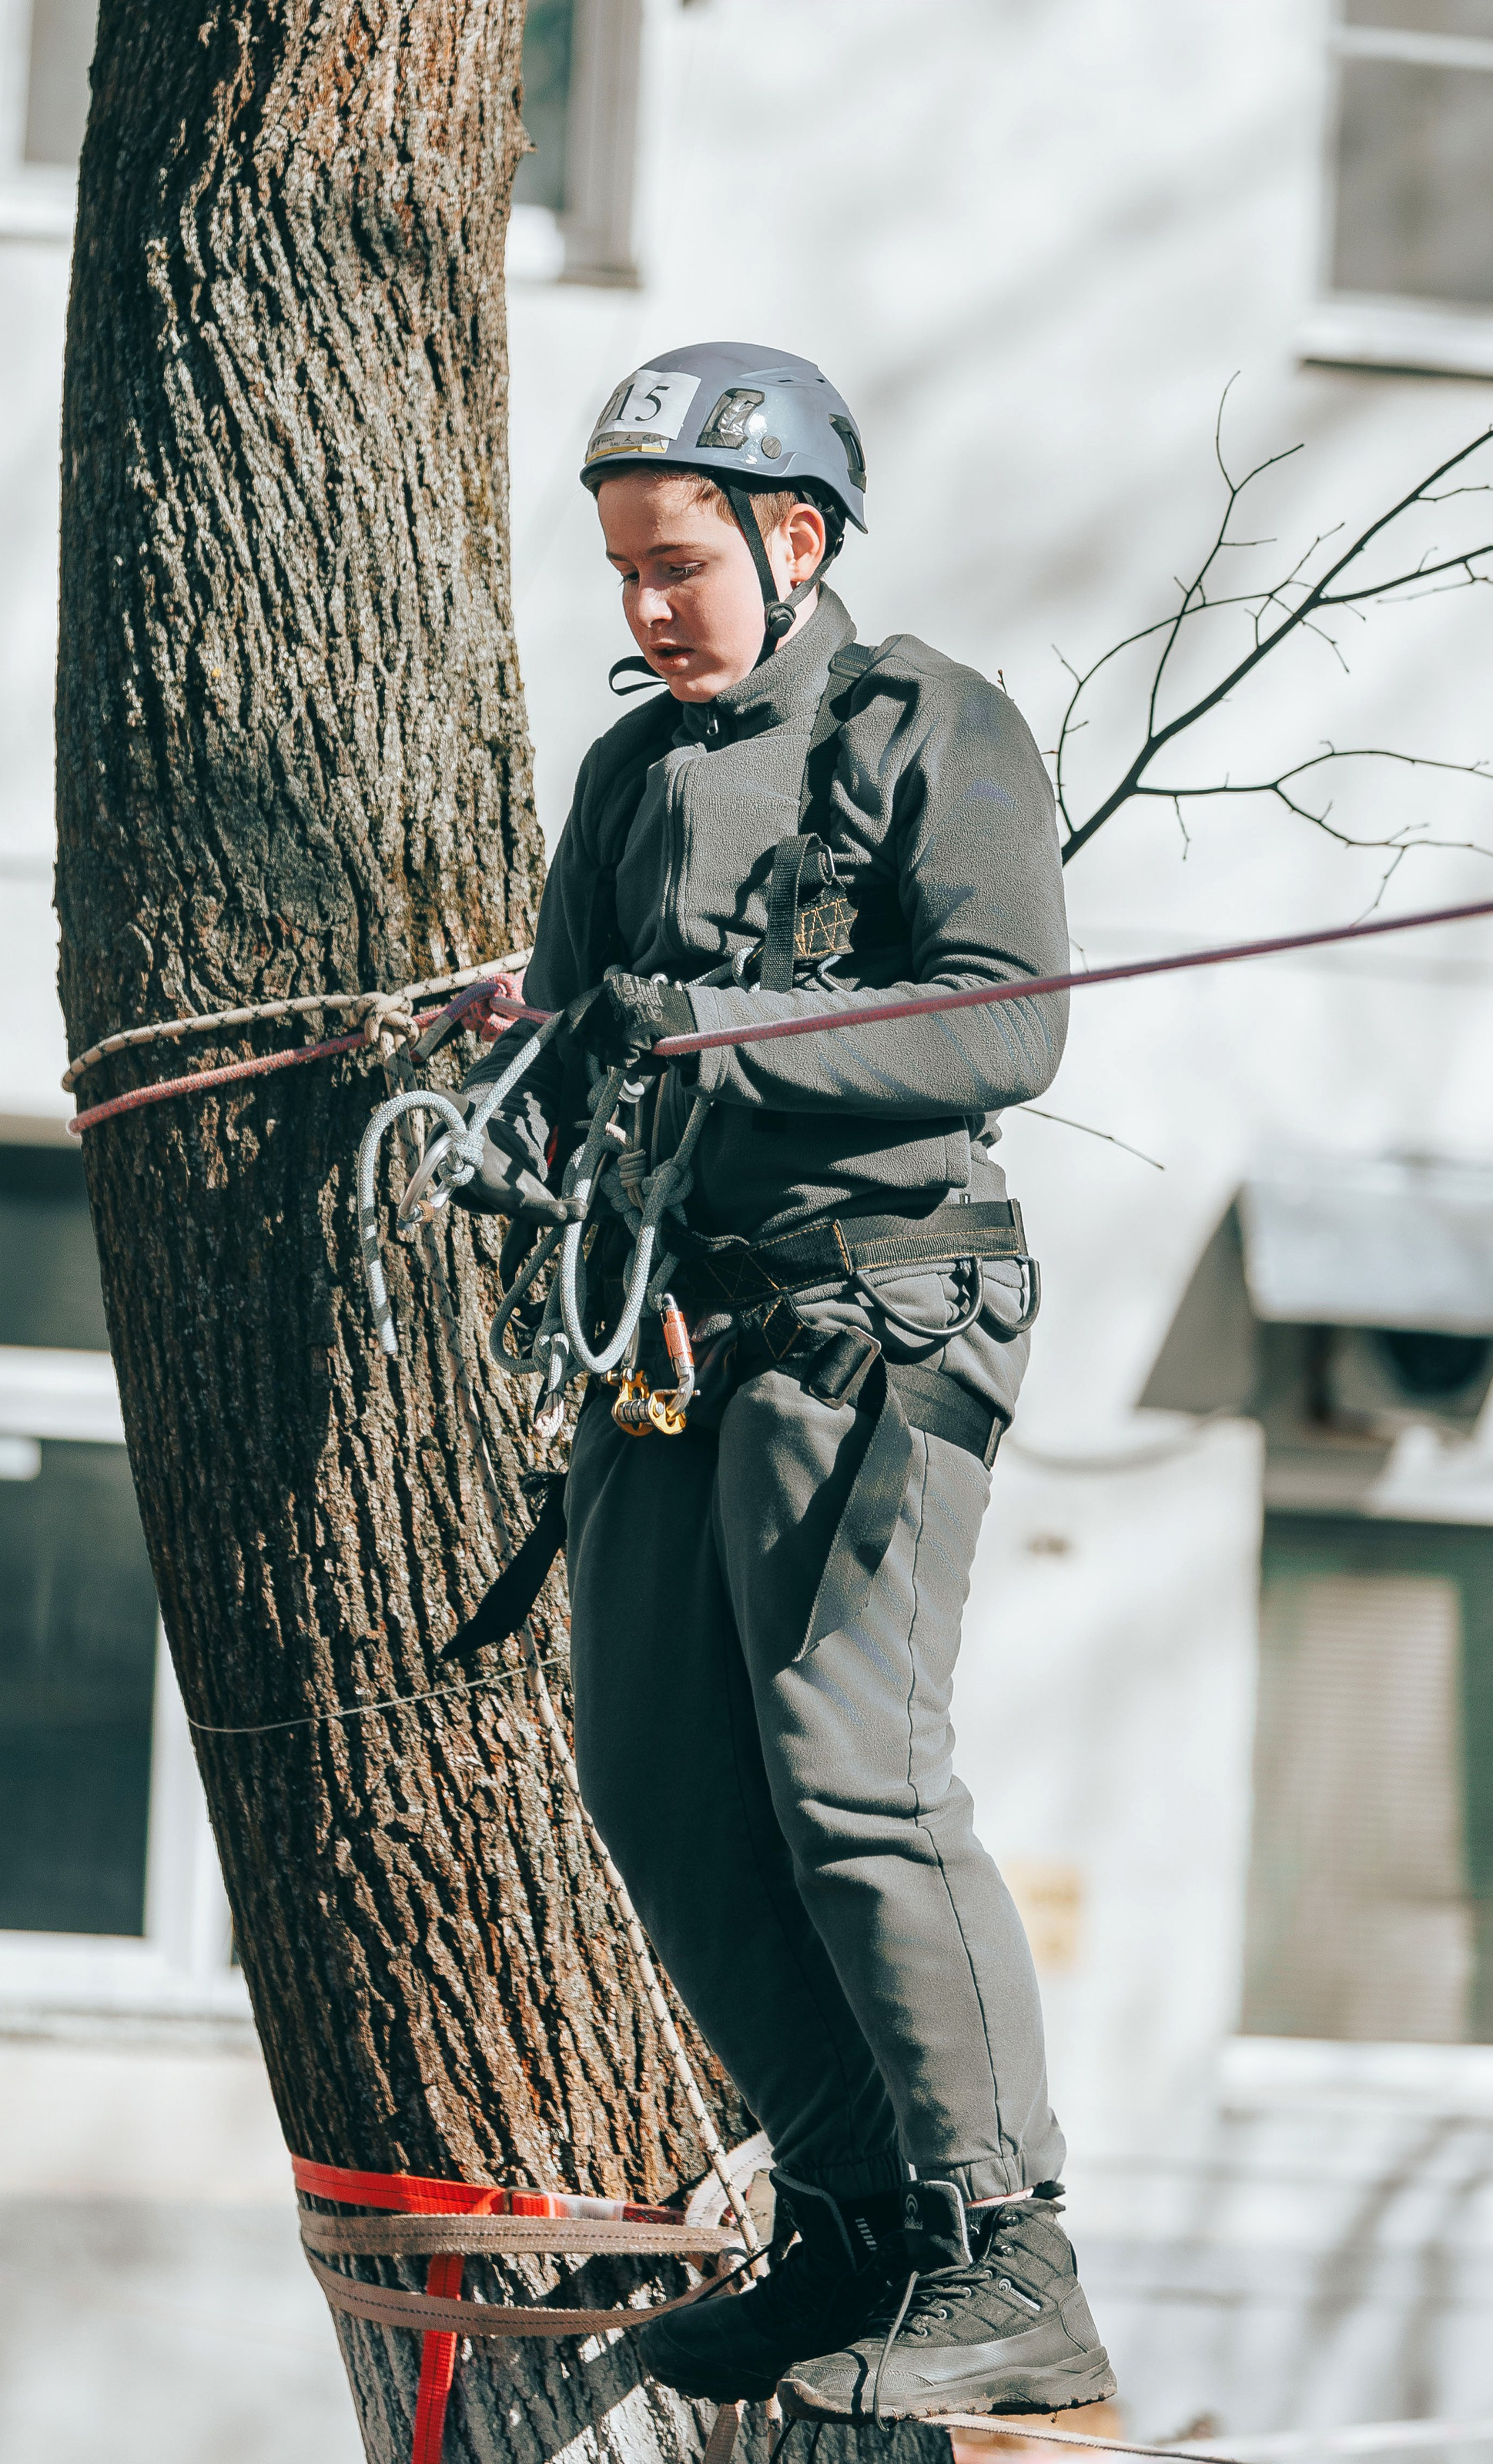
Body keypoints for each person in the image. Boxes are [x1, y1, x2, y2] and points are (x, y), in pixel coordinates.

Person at [454, 341, 1113, 2426]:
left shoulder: (934, 727)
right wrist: (522, 1092)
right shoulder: (629, 777)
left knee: (856, 1776)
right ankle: (843, 2226)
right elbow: (578, 1030)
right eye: (626, 573)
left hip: (876, 1316)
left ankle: (1004, 2250)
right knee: (658, 1778)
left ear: (794, 537)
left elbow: (1004, 1027)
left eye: (679, 566)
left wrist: (721, 1032)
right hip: (675, 1328)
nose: (647, 610)